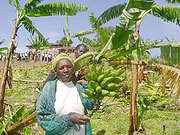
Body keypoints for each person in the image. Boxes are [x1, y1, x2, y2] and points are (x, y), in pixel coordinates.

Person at [36, 53, 94, 135]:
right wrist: (69, 119)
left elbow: (91, 105)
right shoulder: (49, 88)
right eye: (61, 68)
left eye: (69, 67)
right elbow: (41, 117)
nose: (66, 70)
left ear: (73, 69)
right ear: (56, 72)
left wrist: (89, 88)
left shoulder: (79, 87)